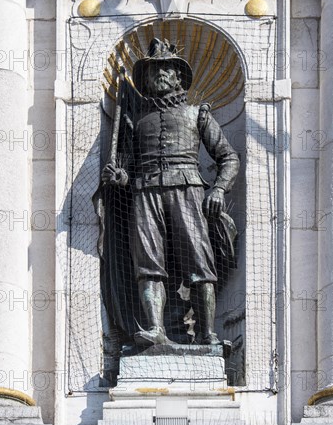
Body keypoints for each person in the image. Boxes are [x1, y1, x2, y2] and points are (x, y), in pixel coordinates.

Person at [100, 38, 240, 347]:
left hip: (188, 191)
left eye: (166, 69)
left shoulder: (196, 114)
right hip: (145, 192)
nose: (159, 74)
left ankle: (207, 334)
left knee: (199, 263)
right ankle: (155, 330)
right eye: (153, 71)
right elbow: (130, 166)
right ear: (146, 80)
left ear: (178, 76)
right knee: (148, 264)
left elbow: (228, 157)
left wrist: (218, 189)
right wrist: (121, 176)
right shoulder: (134, 120)